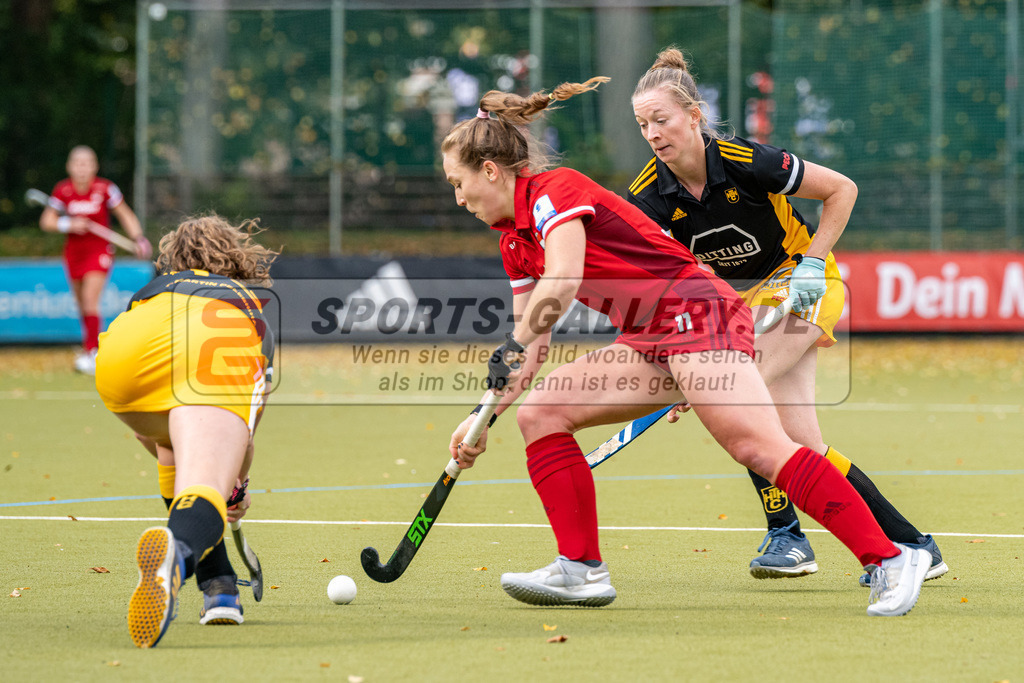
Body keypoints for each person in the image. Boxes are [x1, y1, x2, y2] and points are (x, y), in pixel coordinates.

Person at [442, 77, 931, 616]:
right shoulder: (514, 240)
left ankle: (890, 558)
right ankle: (580, 569)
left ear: (491, 171)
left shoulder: (554, 191)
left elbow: (562, 280)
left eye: (459, 183)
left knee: (759, 447)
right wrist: (482, 417)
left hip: (697, 313)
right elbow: (532, 348)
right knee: (541, 413)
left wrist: (513, 343)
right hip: (650, 335)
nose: (459, 198)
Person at [626, 47, 946, 586]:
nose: (653, 134)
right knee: (800, 442)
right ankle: (913, 545)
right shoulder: (647, 196)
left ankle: (787, 535)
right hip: (743, 301)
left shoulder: (745, 160)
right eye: (642, 125)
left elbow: (842, 189)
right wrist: (681, 359)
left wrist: (814, 262)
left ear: (693, 115)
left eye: (661, 119)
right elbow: (667, 284)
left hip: (804, 283)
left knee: (738, 397)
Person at [94, 215, 277, 648]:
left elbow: (155, 436)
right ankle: (176, 557)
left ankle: (220, 587)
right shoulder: (244, 308)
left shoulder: (154, 292)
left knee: (173, 448)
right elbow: (245, 434)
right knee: (208, 482)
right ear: (234, 258)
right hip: (205, 354)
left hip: (120, 359)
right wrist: (235, 485)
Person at [39, 145, 152, 375]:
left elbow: (125, 214)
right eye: (77, 164)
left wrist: (138, 237)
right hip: (74, 253)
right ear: (69, 167)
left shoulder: (105, 189)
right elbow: (47, 221)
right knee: (82, 303)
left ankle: (92, 351)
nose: (82, 169)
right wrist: (69, 224)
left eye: (86, 164)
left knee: (91, 299)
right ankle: (88, 348)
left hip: (99, 251)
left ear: (95, 166)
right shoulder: (63, 190)